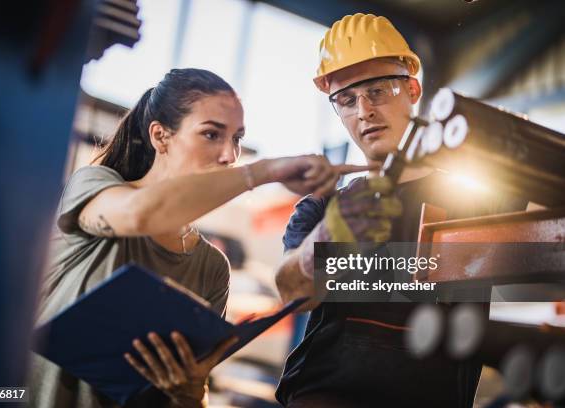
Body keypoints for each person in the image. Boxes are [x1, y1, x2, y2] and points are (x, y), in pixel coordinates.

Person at [29, 68, 366, 408]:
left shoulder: (212, 266)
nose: (229, 155)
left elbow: (194, 392)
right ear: (160, 136)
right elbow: (139, 214)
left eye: (236, 138)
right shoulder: (94, 185)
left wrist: (188, 392)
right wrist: (263, 171)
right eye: (211, 135)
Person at [274, 14, 527, 407]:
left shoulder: (479, 201)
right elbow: (292, 291)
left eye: (377, 91)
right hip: (324, 397)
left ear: (412, 90)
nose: (363, 111)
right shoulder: (323, 207)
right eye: (346, 99)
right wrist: (328, 240)